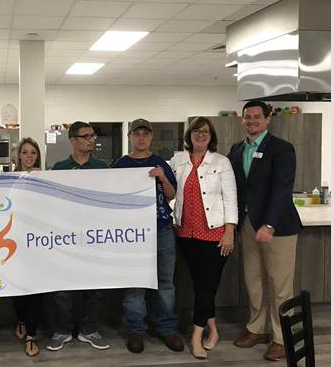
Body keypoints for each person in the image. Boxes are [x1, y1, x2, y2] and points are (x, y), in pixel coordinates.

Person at [227, 100, 304, 362]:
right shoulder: (236, 150)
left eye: (257, 117)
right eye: (247, 117)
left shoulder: (281, 149)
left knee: (280, 284)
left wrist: (269, 224)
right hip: (247, 224)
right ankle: (257, 328)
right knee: (254, 280)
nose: (251, 121)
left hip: (277, 226)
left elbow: (282, 189)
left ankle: (282, 338)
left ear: (268, 118)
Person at [112, 119, 185, 354]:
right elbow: (112, 197)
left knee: (165, 282)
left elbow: (172, 196)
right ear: (130, 137)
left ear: (150, 136)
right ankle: (136, 330)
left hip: (161, 229)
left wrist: (162, 178)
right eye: (137, 134)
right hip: (132, 234)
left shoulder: (160, 163)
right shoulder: (120, 165)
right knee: (135, 283)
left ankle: (167, 328)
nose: (141, 138)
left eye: (145, 134)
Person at [169, 117, 238, 360]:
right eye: (196, 131)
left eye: (205, 132)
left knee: (206, 286)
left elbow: (230, 198)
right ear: (189, 135)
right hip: (185, 234)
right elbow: (163, 182)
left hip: (215, 234)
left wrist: (230, 230)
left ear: (211, 136)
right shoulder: (178, 160)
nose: (200, 135)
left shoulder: (221, 162)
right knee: (202, 286)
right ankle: (213, 330)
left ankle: (196, 337)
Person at [46, 121, 111, 352]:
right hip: (66, 237)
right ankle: (62, 330)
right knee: (62, 289)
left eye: (93, 136)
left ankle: (89, 330)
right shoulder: (60, 168)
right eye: (86, 136)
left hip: (94, 237)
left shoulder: (102, 167)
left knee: (95, 287)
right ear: (73, 140)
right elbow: (52, 203)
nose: (92, 140)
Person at [10, 137, 45, 357]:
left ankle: (32, 334)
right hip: (15, 242)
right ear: (19, 156)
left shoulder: (45, 178)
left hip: (40, 242)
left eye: (33, 152)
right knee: (19, 288)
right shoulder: (10, 178)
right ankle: (21, 320)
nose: (29, 156)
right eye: (25, 152)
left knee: (37, 290)